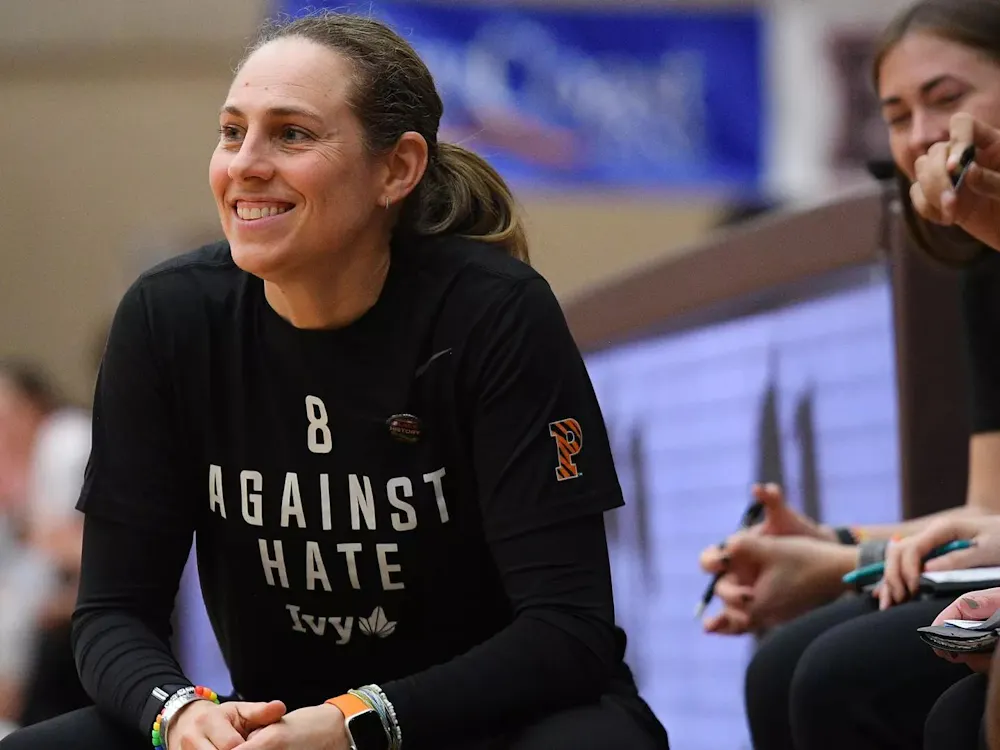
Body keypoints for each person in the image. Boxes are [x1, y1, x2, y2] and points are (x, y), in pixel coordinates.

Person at [0, 11, 669, 750]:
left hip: (484, 721)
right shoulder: (168, 318)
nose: (246, 164)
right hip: (279, 727)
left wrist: (353, 723)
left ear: (398, 169)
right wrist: (181, 715)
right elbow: (112, 613)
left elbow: (567, 631)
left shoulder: (494, 313)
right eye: (232, 132)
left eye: (291, 134)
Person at [697, 1, 1000, 748]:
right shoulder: (982, 273)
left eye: (947, 99)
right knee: (783, 669)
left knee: (844, 674)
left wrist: (838, 564)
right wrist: (834, 547)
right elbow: (987, 516)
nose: (924, 136)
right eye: (897, 115)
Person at [0, 361, 91, 735]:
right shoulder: (27, 458)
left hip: (75, 611)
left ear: (31, 403)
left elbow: (78, 543)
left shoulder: (65, 438)